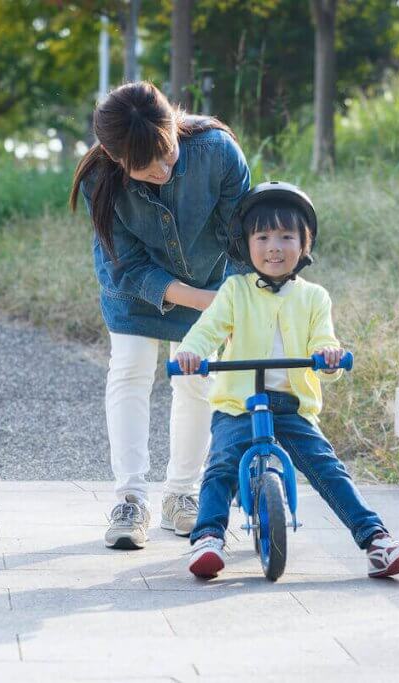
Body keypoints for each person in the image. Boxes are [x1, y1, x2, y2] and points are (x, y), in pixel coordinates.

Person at [172, 181, 399, 579]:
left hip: (291, 405)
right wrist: (192, 352)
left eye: (287, 236)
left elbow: (323, 337)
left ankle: (376, 540)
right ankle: (207, 538)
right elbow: (208, 330)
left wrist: (328, 355)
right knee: (220, 465)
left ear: (305, 244)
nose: (275, 246)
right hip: (239, 405)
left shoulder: (314, 297)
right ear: (246, 244)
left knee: (328, 469)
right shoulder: (235, 290)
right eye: (263, 236)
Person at [68, 81, 251, 549]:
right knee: (130, 370)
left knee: (195, 379)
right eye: (146, 169)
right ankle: (130, 499)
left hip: (212, 281)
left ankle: (181, 496)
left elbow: (242, 239)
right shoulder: (98, 180)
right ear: (113, 155)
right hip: (136, 292)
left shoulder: (218, 151)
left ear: (174, 125)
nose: (164, 170)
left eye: (168, 154)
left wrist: (232, 302)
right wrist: (206, 303)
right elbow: (125, 267)